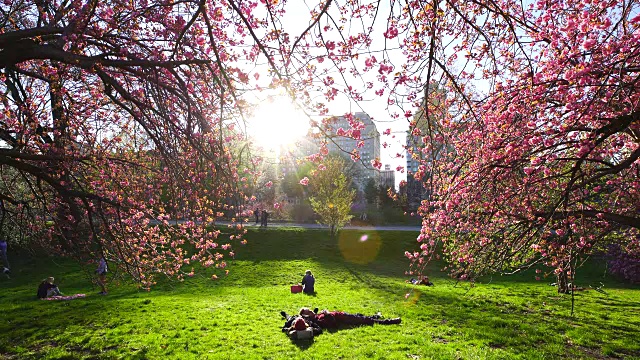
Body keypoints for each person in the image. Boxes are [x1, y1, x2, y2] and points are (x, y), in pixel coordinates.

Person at [299, 307, 401, 328]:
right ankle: (390, 322)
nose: (311, 310)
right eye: (309, 311)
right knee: (367, 321)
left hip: (343, 315)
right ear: (306, 315)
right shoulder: (317, 321)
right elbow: (332, 323)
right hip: (344, 319)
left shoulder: (316, 316)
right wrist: (327, 314)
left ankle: (376, 316)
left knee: (360, 316)